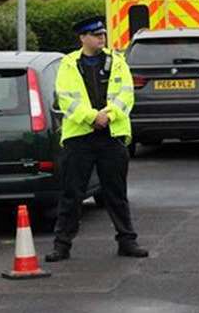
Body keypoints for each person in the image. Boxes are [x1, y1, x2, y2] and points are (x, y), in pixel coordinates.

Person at [45, 16, 148, 262]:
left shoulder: (117, 62)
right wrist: (92, 117)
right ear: (83, 38)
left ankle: (127, 241)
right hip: (80, 137)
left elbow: (126, 95)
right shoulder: (69, 64)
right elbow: (66, 99)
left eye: (103, 34)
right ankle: (62, 245)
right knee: (72, 193)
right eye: (95, 35)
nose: (101, 38)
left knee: (116, 193)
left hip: (111, 136)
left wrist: (108, 115)